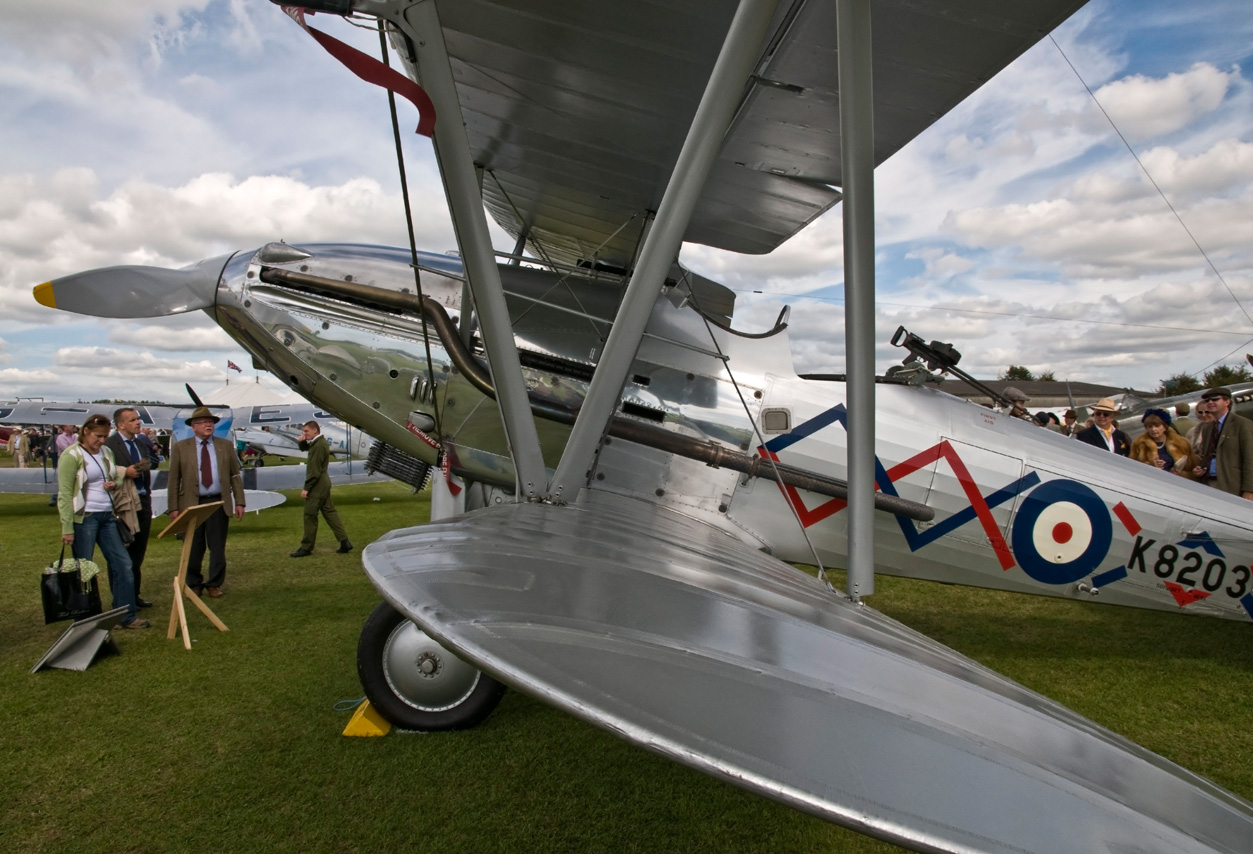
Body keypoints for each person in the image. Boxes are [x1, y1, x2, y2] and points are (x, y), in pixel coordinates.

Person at [57, 413, 147, 628]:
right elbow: (65, 493)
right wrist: (67, 527)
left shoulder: (106, 452)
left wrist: (113, 483)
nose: (102, 440)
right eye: (98, 436)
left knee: (124, 564)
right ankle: (85, 617)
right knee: (85, 569)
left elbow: (115, 474)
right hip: (84, 518)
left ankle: (125, 615)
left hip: (108, 516)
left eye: (105, 436)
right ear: (86, 431)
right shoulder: (72, 455)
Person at [168, 406, 246, 597]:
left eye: (210, 422)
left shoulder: (225, 446)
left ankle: (214, 583)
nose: (208, 425)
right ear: (193, 427)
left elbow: (235, 475)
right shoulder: (181, 447)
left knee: (217, 546)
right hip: (191, 503)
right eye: (203, 422)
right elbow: (173, 479)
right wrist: (173, 508)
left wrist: (240, 501)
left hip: (218, 503)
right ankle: (194, 582)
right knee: (194, 547)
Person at [106, 407, 160, 608]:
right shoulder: (109, 445)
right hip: (123, 504)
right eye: (133, 420)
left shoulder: (140, 442)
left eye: (138, 419)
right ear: (120, 425)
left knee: (137, 554)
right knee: (121, 556)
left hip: (142, 501)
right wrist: (123, 473)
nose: (138, 423)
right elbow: (104, 472)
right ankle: (121, 601)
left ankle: (134, 596)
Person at [290, 420, 353, 557]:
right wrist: (301, 442)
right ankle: (344, 541)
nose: (304, 433)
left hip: (318, 484)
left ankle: (306, 547)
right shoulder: (319, 443)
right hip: (323, 482)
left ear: (315, 430)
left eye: (306, 431)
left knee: (310, 514)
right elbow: (305, 449)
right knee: (329, 512)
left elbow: (314, 470)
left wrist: (307, 488)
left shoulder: (318, 445)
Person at [1190, 387, 1253, 499]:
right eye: (1207, 400)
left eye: (1215, 399)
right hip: (1208, 483)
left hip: (1232, 486)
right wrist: (1200, 468)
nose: (1210, 402)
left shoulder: (1242, 425)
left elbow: (1250, 459)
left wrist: (1249, 490)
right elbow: (1206, 455)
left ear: (1227, 402)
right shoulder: (1208, 428)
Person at [1129, 409, 1198, 478]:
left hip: (1177, 483)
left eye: (1157, 426)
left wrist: (1181, 474)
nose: (1153, 429)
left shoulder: (1181, 443)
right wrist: (1150, 465)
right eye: (1150, 427)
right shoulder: (1140, 444)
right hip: (1150, 482)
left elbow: (1193, 469)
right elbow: (1132, 468)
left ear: (1165, 427)